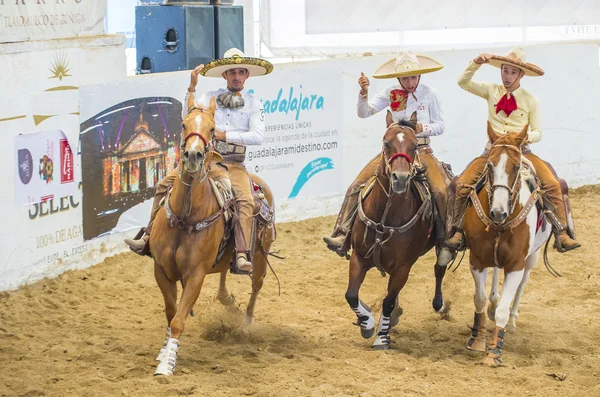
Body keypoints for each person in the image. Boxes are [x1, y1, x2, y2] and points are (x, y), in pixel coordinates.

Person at [125, 48, 274, 272]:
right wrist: (192, 87)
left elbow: (258, 136)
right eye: (232, 72)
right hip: (207, 160)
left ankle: (241, 253)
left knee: (245, 200)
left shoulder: (254, 104)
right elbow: (190, 114)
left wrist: (224, 135)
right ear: (225, 76)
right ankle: (148, 236)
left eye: (241, 72)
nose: (236, 76)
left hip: (234, 164)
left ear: (247, 76)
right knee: (163, 185)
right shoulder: (210, 96)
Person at [443, 47, 580, 252]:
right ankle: (457, 231)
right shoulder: (491, 90)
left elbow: (538, 131)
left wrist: (526, 137)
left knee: (552, 184)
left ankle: (561, 232)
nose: (507, 76)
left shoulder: (531, 100)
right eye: (505, 71)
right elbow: (463, 82)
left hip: (521, 152)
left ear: (521, 75)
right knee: (463, 183)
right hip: (493, 151)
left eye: (513, 72)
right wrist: (476, 63)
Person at [323, 50, 451, 255]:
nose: (409, 82)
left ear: (420, 75)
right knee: (357, 185)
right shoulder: (390, 93)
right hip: (393, 153)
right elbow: (364, 113)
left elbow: (440, 125)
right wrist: (363, 94)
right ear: (398, 77)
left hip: (421, 150)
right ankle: (342, 233)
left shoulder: (430, 93)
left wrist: (422, 129)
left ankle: (446, 238)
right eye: (405, 78)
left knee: (441, 190)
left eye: (413, 77)